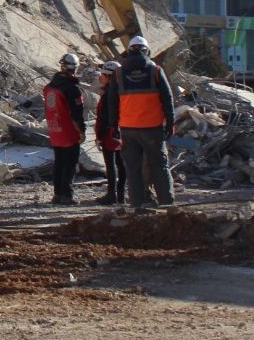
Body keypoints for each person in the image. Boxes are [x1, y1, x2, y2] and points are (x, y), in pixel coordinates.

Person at [104, 35, 175, 210]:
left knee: (133, 170)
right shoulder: (156, 70)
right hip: (153, 128)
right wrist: (171, 122)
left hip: (128, 129)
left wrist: (113, 126)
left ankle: (137, 204)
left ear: (129, 51)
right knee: (159, 166)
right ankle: (166, 203)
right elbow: (168, 99)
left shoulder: (119, 73)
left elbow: (111, 102)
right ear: (146, 51)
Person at [42, 53, 87, 205]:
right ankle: (67, 195)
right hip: (69, 130)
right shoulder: (72, 89)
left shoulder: (49, 87)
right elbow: (76, 114)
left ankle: (57, 194)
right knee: (70, 163)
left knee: (59, 162)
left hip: (55, 130)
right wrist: (81, 131)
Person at [93, 60, 126, 205]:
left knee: (111, 165)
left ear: (108, 76)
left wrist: (99, 137)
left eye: (103, 74)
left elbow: (103, 117)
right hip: (123, 131)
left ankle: (111, 195)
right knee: (122, 164)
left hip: (109, 133)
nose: (101, 77)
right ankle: (121, 195)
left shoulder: (108, 95)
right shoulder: (124, 91)